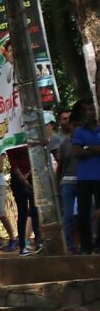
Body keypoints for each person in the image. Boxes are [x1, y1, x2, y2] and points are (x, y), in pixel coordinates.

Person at [58, 104, 88, 253]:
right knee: (68, 216)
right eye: (74, 125)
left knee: (84, 215)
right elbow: (60, 167)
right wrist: (59, 185)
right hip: (68, 182)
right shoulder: (64, 145)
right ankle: (70, 247)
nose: (76, 128)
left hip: (85, 181)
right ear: (70, 126)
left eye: (79, 125)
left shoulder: (88, 141)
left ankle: (86, 245)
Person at [72, 102, 100, 254]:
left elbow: (82, 150)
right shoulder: (79, 131)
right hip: (84, 177)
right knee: (83, 213)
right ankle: (86, 246)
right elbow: (77, 152)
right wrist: (96, 150)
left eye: (91, 109)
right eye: (86, 110)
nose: (89, 112)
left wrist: (87, 147)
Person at [6, 145, 41, 255]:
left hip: (32, 175)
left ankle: (38, 242)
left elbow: (35, 156)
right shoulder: (11, 140)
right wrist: (23, 179)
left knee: (35, 210)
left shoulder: (29, 139)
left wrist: (30, 174)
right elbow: (13, 164)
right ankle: (22, 246)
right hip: (18, 179)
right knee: (23, 212)